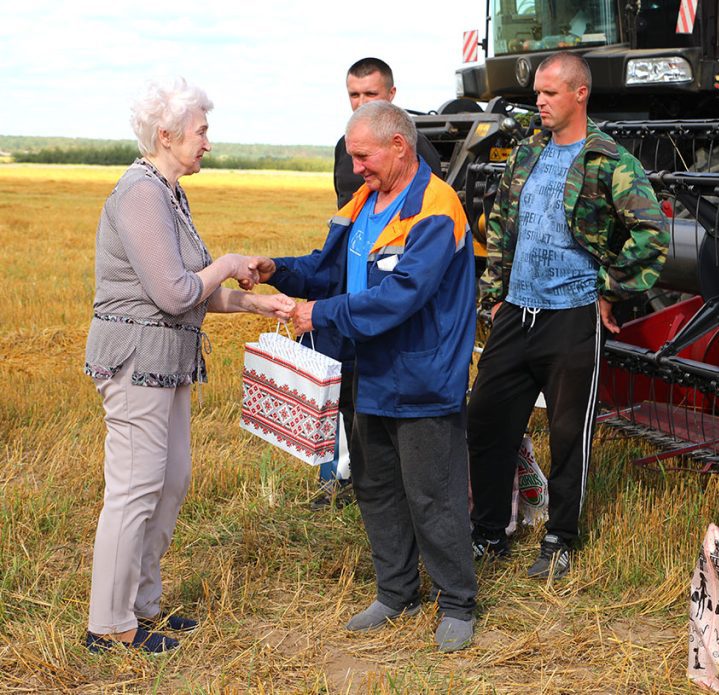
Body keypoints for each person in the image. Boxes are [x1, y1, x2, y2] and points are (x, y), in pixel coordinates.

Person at [250, 100, 478, 652]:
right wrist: (278, 270)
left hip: (419, 378)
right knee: (375, 487)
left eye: (363, 156)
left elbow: (402, 296)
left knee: (433, 494)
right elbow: (329, 270)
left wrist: (320, 315)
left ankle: (457, 602)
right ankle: (396, 591)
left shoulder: (435, 209)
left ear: (399, 145)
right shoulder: (363, 202)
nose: (356, 168)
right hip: (363, 371)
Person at [84, 77, 294, 654]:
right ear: (167, 134)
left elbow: (194, 291)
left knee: (169, 483)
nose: (208, 141)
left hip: (169, 362)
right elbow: (177, 293)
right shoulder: (139, 194)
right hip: (135, 361)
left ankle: (142, 608)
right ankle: (109, 624)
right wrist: (226, 262)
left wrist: (257, 302)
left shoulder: (169, 193)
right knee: (133, 491)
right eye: (201, 131)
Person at [467, 52, 668, 580]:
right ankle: (488, 533)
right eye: (538, 92)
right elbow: (504, 228)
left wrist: (610, 289)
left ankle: (560, 538)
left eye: (551, 93)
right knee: (487, 419)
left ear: (580, 94)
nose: (539, 101)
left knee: (567, 434)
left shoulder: (609, 160)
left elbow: (652, 235)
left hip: (573, 317)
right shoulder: (527, 154)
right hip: (519, 312)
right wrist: (495, 296)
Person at [311, 56, 445, 510]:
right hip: (353, 289)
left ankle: (387, 484)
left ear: (391, 96)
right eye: (353, 94)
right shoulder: (341, 148)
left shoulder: (417, 151)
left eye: (370, 94)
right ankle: (349, 475)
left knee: (385, 399)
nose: (360, 102)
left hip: (389, 295)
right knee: (348, 388)